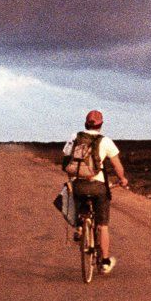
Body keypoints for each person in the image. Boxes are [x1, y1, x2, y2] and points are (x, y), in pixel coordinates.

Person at [61, 109, 128, 273]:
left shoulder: (74, 137)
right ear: (101, 125)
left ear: (85, 123)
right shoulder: (105, 141)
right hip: (98, 187)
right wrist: (123, 179)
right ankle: (105, 262)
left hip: (78, 185)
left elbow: (65, 159)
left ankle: (79, 226)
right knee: (103, 225)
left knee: (76, 197)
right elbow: (117, 165)